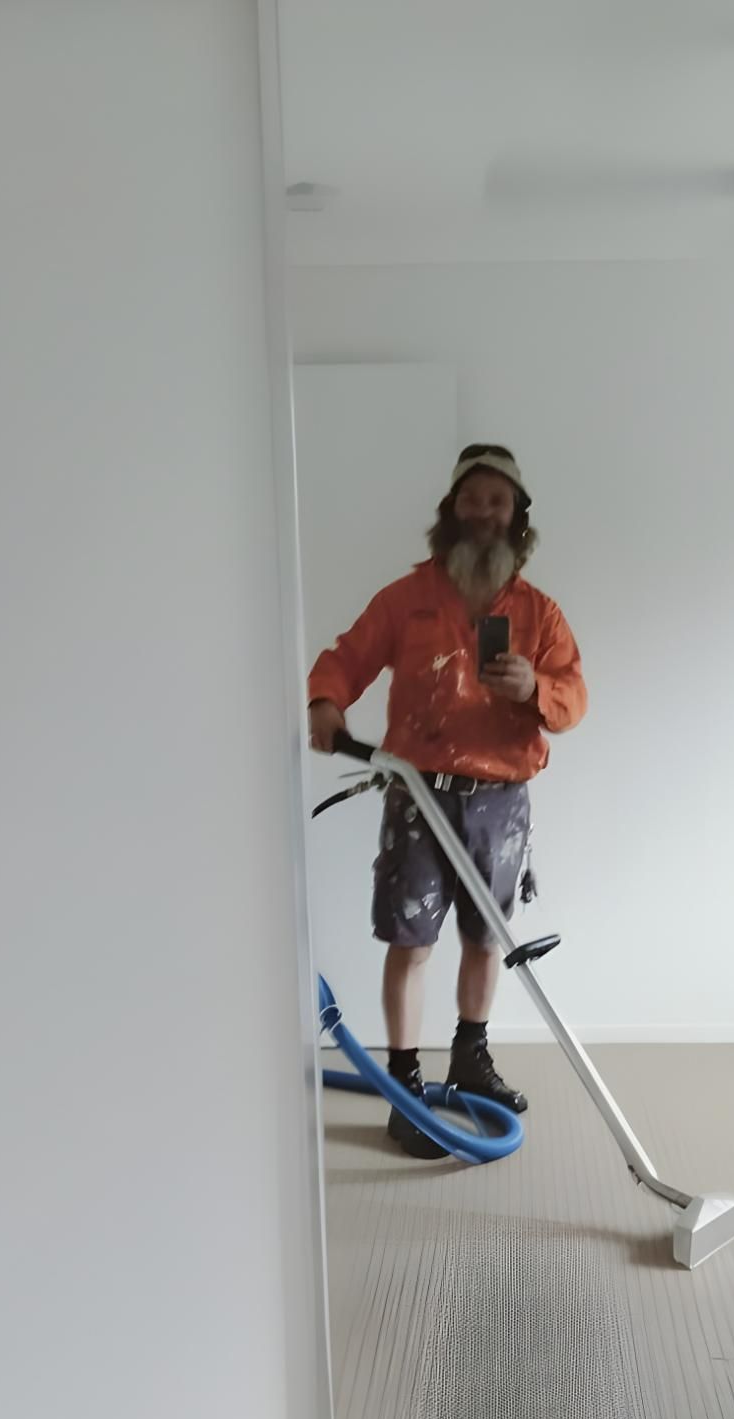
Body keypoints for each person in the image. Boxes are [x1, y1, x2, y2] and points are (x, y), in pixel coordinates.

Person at [307, 444, 587, 1157]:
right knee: (410, 941)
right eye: (472, 498)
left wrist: (535, 691)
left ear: (516, 516)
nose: (483, 512)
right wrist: (325, 701)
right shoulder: (407, 598)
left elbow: (573, 696)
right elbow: (347, 655)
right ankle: (404, 1086)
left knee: (483, 937)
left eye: (498, 501)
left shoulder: (539, 613)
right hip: (417, 796)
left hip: (499, 800)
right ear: (451, 509)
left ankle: (470, 1057)